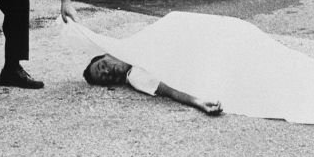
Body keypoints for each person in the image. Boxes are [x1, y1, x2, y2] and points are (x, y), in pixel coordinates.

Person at [83, 53, 222, 114]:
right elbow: (170, 91)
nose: (107, 71)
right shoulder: (135, 76)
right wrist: (199, 102)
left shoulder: (130, 48)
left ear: (108, 54)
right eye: (104, 78)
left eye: (102, 66)